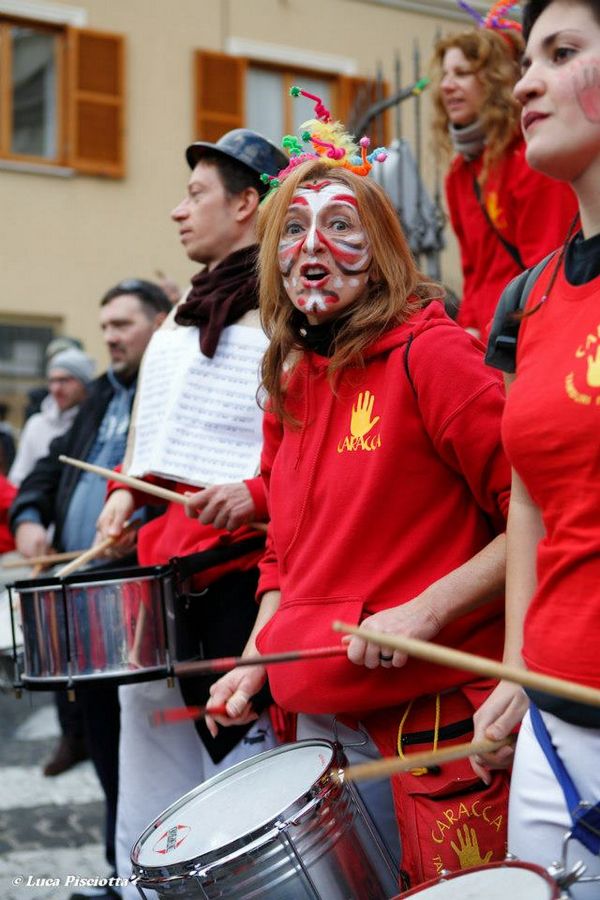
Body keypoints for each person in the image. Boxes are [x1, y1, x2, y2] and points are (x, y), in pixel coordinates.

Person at [202, 96, 513, 891]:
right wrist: (255, 659)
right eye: (294, 230)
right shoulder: (292, 377)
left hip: (424, 729)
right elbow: (286, 557)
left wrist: (427, 611)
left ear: (380, 251)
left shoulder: (433, 356)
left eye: (341, 225)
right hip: (311, 725)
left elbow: (545, 515)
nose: (314, 248)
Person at [95, 129, 292, 899]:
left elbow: (302, 457)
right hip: (159, 577)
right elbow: (156, 435)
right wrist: (124, 491)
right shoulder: (182, 312)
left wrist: (257, 495)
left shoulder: (285, 309)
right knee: (149, 796)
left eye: (197, 196)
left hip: (243, 583)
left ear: (247, 203)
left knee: (243, 793)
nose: (178, 213)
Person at [469, 2, 600, 895]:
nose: (523, 83)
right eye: (528, 59)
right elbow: (529, 496)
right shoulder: (533, 296)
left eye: (562, 54)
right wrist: (516, 665)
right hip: (557, 731)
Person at [9, 278, 171, 900]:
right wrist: (28, 517)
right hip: (83, 597)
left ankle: (157, 873)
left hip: (143, 597)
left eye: (122, 325)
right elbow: (52, 467)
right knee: (104, 740)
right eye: (104, 327)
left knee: (149, 747)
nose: (110, 338)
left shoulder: (172, 386)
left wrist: (150, 530)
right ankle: (119, 871)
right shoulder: (102, 393)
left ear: (160, 324)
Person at [430, 0, 578, 341]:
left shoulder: (530, 157)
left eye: (463, 73)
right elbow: (473, 273)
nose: (447, 85)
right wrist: (465, 333)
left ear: (497, 79)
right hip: (487, 339)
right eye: (446, 74)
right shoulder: (459, 173)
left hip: (526, 336)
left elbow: (548, 271)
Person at [9, 347, 96, 487]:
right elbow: (18, 478)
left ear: (84, 383)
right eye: (52, 381)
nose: (56, 389)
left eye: (64, 380)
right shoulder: (36, 425)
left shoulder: (97, 426)